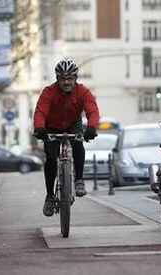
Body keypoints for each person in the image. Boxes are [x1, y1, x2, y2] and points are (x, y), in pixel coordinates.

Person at [33, 58, 100, 217]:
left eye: (70, 78)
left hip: (72, 124)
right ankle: (50, 196)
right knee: (50, 158)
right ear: (57, 79)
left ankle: (79, 181)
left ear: (75, 78)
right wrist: (40, 128)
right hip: (52, 126)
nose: (66, 82)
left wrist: (91, 127)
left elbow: (92, 110)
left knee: (78, 144)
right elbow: (40, 111)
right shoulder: (48, 92)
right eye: (63, 79)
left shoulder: (83, 91)